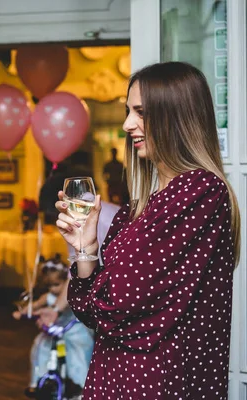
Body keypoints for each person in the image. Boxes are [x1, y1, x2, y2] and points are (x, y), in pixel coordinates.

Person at [55, 62, 240, 399]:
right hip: (117, 378)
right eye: (128, 111)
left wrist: (100, 287)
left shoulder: (199, 192)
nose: (127, 124)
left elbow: (116, 308)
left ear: (178, 116)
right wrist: (86, 248)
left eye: (142, 112)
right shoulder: (141, 207)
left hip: (155, 385)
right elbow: (91, 312)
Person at [13, 257, 94, 397]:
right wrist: (23, 312)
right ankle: (38, 381)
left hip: (73, 330)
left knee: (79, 352)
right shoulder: (48, 297)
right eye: (49, 285)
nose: (53, 289)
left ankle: (81, 385)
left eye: (57, 284)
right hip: (55, 331)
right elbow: (35, 306)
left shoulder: (71, 294)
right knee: (40, 345)